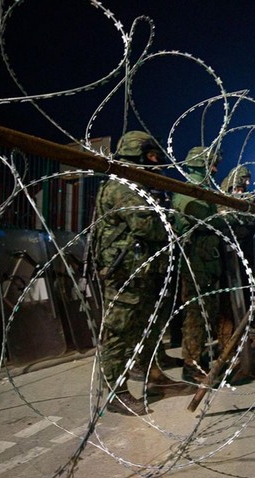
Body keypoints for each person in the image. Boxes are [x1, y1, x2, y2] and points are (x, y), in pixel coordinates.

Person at [93, 130, 180, 415]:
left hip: (141, 271)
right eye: (152, 156)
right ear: (138, 154)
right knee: (119, 333)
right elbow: (148, 226)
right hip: (124, 275)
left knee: (146, 328)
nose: (156, 162)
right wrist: (173, 225)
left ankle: (152, 375)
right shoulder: (122, 187)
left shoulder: (139, 186)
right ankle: (115, 393)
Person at [172, 146, 224, 382]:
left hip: (206, 263)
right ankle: (191, 364)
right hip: (196, 263)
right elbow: (203, 219)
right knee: (196, 314)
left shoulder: (201, 190)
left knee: (206, 314)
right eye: (211, 164)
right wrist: (227, 216)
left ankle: (199, 357)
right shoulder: (188, 191)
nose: (214, 169)